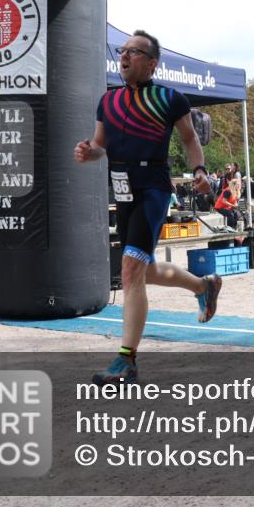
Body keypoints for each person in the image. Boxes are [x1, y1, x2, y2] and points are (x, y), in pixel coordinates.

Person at [74, 29, 222, 385]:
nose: (124, 56)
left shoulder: (169, 98)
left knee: (129, 271)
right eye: (122, 51)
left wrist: (200, 169)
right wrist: (87, 152)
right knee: (144, 271)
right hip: (122, 190)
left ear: (152, 63)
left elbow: (189, 138)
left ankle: (127, 360)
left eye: (134, 52)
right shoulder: (106, 101)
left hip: (153, 188)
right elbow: (99, 145)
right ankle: (204, 286)